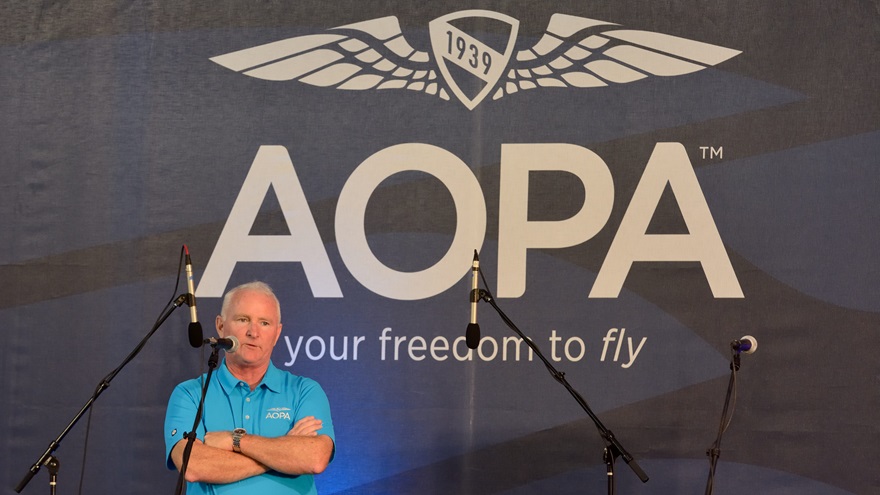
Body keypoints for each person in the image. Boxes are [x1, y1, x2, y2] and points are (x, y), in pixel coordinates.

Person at [164, 281, 335, 494]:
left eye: (264, 323)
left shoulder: (305, 391)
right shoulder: (189, 394)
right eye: (243, 319)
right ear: (220, 326)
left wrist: (234, 440)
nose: (253, 332)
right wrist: (284, 454)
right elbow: (193, 466)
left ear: (277, 333)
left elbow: (314, 458)